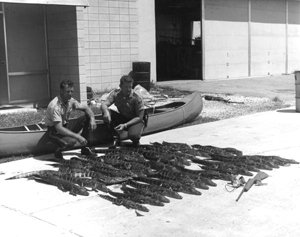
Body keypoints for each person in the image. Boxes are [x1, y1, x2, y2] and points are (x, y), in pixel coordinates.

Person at [44, 79, 97, 159]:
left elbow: (86, 109)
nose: (70, 94)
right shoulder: (55, 106)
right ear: (61, 91)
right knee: (71, 142)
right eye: (67, 92)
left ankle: (85, 148)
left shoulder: (70, 100)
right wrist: (78, 136)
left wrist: (92, 119)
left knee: (87, 118)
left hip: (65, 125)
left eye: (72, 91)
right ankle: (57, 152)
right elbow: (59, 128)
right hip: (54, 131)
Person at [101, 75, 145, 147]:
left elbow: (139, 117)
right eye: (126, 87)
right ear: (120, 86)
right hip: (123, 117)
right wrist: (106, 112)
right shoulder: (116, 94)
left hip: (135, 120)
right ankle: (115, 137)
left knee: (133, 135)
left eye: (130, 87)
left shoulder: (136, 98)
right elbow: (104, 104)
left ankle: (136, 141)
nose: (128, 89)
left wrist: (125, 125)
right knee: (106, 112)